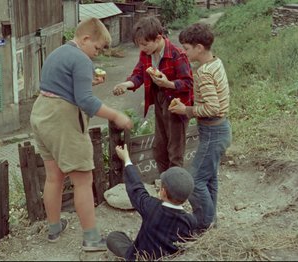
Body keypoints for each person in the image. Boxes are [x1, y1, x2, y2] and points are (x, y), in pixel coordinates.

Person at [30, 17, 133, 251]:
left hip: (41, 113)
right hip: (61, 120)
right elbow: (85, 102)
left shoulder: (58, 52)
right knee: (84, 180)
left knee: (54, 176)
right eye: (96, 48)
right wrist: (116, 115)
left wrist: (88, 83)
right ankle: (92, 239)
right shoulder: (82, 59)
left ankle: (54, 229)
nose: (96, 54)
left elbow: (61, 86)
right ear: (86, 38)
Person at [169, 22, 232, 232]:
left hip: (214, 131)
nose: (184, 52)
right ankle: (210, 220)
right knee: (209, 178)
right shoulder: (216, 63)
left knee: (195, 181)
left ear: (199, 47)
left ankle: (202, 225)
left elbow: (212, 108)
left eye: (186, 48)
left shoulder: (204, 72)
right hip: (220, 130)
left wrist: (186, 110)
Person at [112, 16, 194, 174]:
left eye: (144, 44)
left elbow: (188, 83)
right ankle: (166, 182)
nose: (142, 48)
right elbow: (138, 75)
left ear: (158, 38)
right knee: (158, 149)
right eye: (139, 45)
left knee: (175, 152)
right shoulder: (146, 54)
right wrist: (126, 85)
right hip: (159, 101)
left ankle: (173, 191)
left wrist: (169, 84)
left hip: (177, 105)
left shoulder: (178, 54)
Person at [107, 144, 197, 260]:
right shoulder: (190, 221)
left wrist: (127, 159)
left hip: (141, 258)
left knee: (113, 237)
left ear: (163, 192)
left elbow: (136, 188)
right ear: (185, 198)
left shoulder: (151, 207)